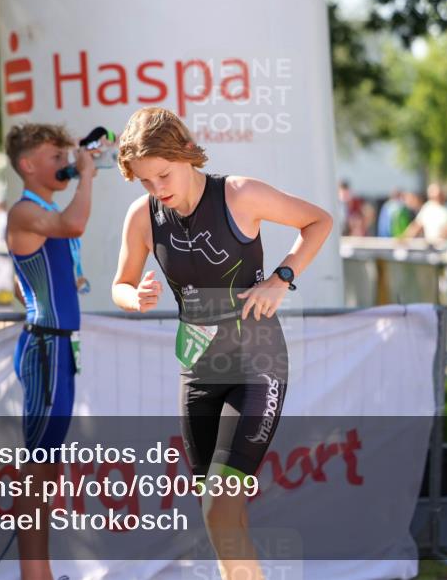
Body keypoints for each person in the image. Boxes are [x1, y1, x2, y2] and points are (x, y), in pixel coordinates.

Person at [110, 107, 332, 580]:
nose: (157, 190)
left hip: (257, 361)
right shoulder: (143, 216)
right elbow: (120, 284)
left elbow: (317, 222)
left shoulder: (239, 193)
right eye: (146, 182)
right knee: (221, 509)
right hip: (199, 369)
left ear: (184, 154)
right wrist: (136, 297)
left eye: (163, 175)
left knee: (218, 505)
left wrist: (281, 278)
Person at [4, 122, 97, 580]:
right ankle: (34, 575)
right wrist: (88, 175)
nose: (64, 164)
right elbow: (75, 223)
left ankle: (38, 572)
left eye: (65, 156)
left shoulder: (39, 213)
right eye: (54, 157)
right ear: (27, 165)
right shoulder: (25, 211)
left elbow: (22, 285)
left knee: (48, 466)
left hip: (57, 347)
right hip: (45, 347)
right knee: (38, 467)